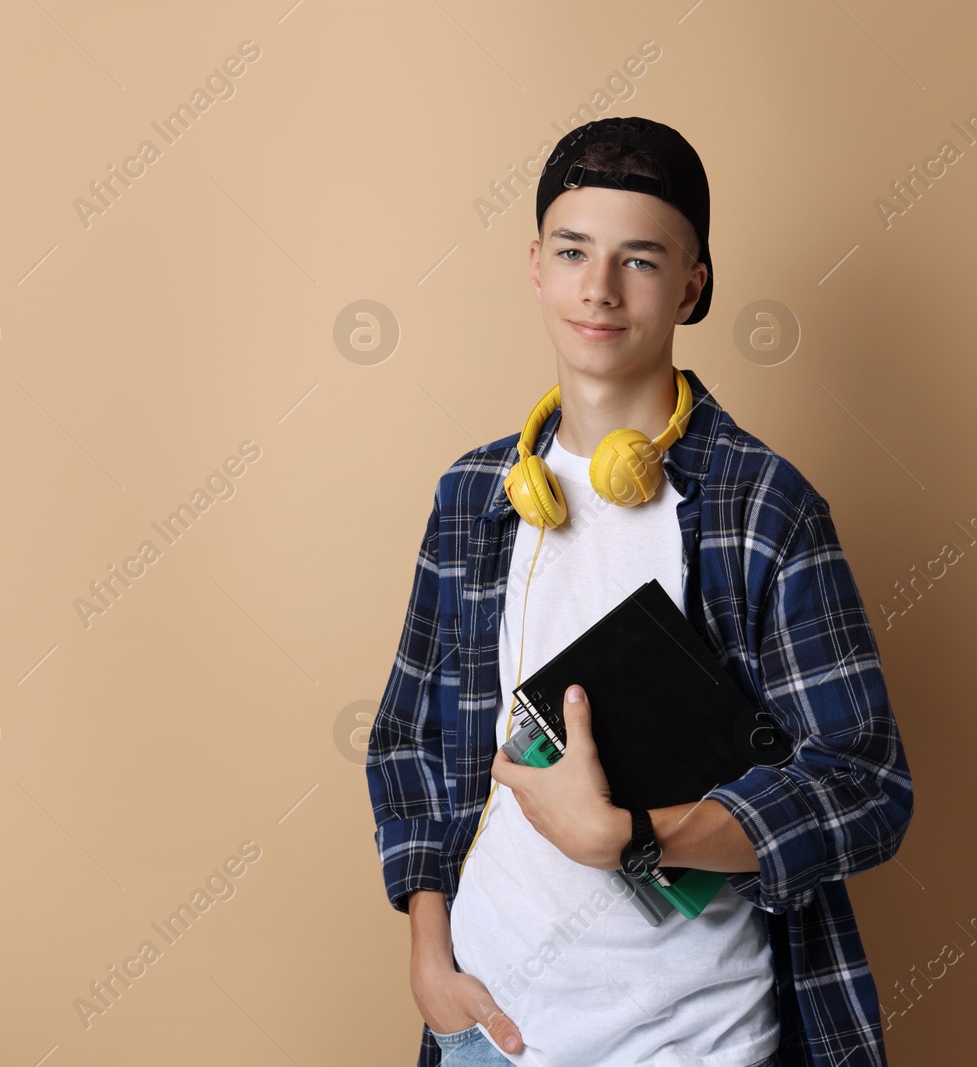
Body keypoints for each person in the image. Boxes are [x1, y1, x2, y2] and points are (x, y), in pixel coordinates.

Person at [366, 116, 914, 1067]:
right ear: (535, 263)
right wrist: (428, 959)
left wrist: (631, 835)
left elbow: (865, 786)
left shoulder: (762, 505)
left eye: (641, 260)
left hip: (694, 1043)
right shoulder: (472, 496)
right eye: (574, 250)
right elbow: (410, 743)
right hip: (488, 1032)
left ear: (693, 286)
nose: (600, 289)